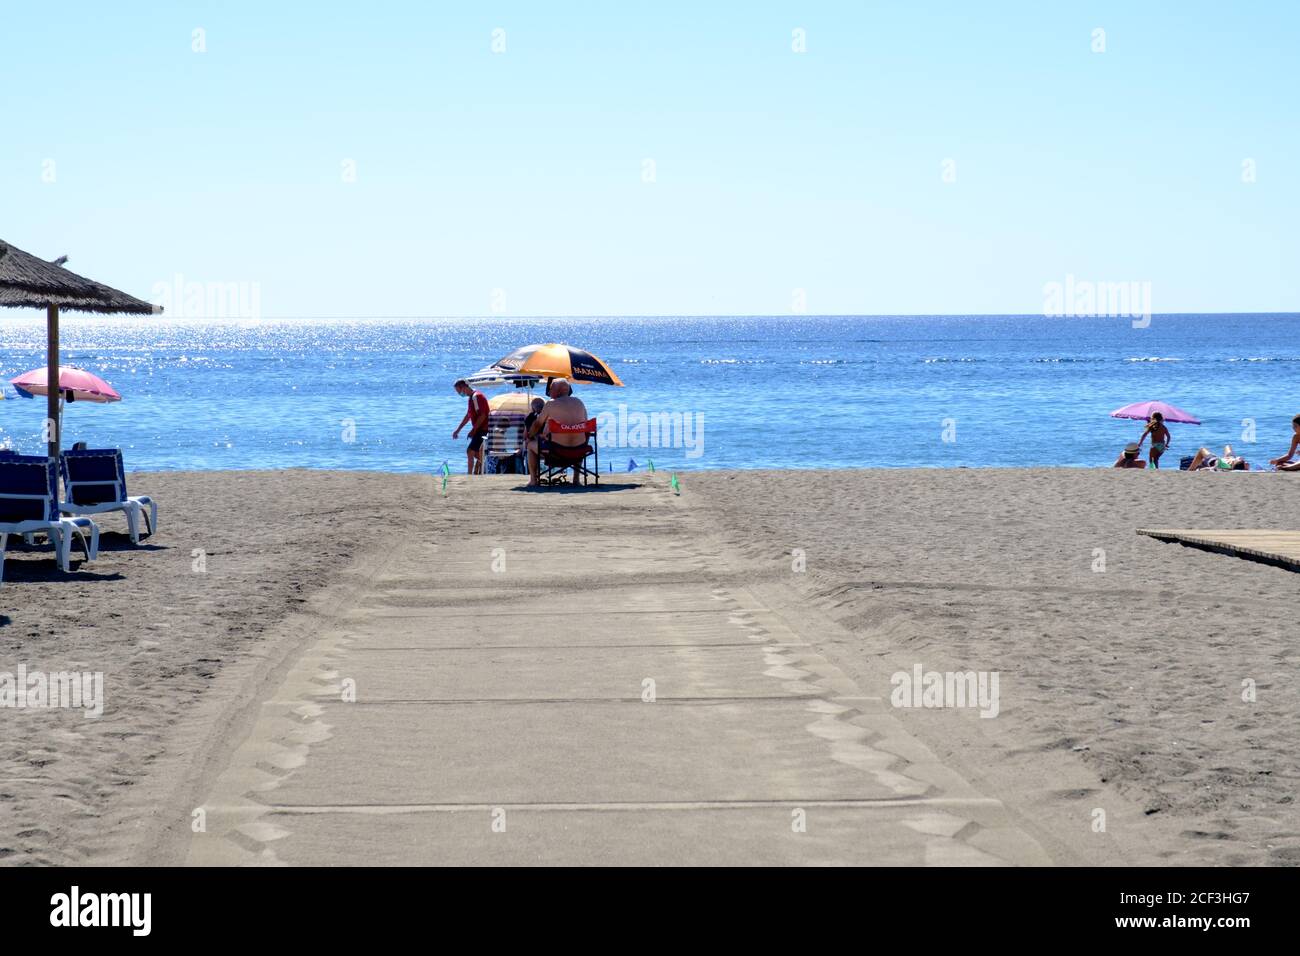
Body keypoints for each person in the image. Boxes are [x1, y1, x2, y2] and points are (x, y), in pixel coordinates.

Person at [527, 379, 589, 486]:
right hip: (579, 452)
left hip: (556, 453)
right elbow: (586, 427)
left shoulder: (551, 404)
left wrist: (530, 435)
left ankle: (533, 480)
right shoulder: (579, 402)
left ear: (558, 391)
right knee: (578, 441)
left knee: (529, 445)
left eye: (551, 388)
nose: (549, 391)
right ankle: (576, 479)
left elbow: (537, 424)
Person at [452, 379, 490, 475]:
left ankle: (470, 475)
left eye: (458, 391)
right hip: (479, 429)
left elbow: (483, 415)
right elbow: (468, 416)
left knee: (470, 451)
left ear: (464, 388)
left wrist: (474, 430)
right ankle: (489, 467)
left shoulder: (476, 397)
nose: (459, 394)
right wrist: (458, 430)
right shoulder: (471, 398)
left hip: (483, 430)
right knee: (476, 453)